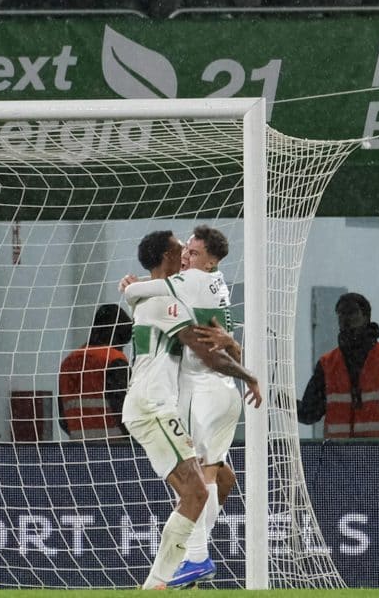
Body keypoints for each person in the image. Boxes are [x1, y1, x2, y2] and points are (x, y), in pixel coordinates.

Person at [121, 225, 260, 587]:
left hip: (160, 402)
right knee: (197, 491)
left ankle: (187, 562)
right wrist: (251, 376)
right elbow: (205, 355)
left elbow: (211, 343)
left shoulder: (174, 295)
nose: (185, 256)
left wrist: (230, 343)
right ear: (168, 258)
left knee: (222, 480)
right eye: (182, 250)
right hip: (154, 404)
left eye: (192, 252)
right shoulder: (165, 302)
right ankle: (170, 574)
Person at [298, 292, 379, 438]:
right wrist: (283, 402)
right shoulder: (327, 365)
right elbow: (309, 413)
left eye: (352, 312)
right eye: (341, 313)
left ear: (366, 317)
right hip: (340, 457)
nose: (346, 318)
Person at [57, 304, 132, 440]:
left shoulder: (68, 362)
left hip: (79, 447)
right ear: (120, 336)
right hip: (117, 446)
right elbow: (124, 410)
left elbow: (62, 417)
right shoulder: (114, 360)